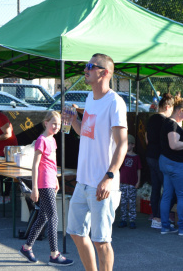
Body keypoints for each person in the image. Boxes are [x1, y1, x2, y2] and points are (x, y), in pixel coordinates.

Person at [66, 53, 128, 271]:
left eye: (91, 66)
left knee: (101, 241)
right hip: (83, 181)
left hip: (102, 183)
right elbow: (86, 132)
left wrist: (109, 177)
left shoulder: (115, 102)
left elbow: (122, 144)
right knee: (75, 232)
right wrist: (74, 120)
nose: (86, 69)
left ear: (105, 72)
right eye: (86, 65)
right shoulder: (89, 99)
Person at [18, 111, 73, 266]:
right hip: (43, 183)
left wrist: (56, 178)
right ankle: (54, 254)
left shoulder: (52, 140)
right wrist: (34, 187)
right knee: (53, 217)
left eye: (59, 124)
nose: (56, 127)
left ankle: (27, 247)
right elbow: (35, 165)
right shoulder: (41, 140)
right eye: (53, 123)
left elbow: (52, 162)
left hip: (50, 181)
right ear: (45, 123)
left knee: (43, 217)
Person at [159, 97, 183, 236]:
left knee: (167, 195)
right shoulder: (173, 124)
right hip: (176, 164)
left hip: (166, 162)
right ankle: (182, 228)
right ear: (180, 111)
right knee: (182, 195)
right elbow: (174, 144)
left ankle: (165, 226)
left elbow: (175, 140)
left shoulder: (168, 123)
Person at [145, 93, 174, 229]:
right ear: (167, 107)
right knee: (167, 188)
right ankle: (159, 217)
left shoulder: (151, 119)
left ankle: (155, 216)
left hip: (150, 155)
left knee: (156, 187)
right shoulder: (166, 122)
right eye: (172, 109)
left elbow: (146, 138)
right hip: (159, 158)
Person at [118, 134, 141, 229]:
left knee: (132, 203)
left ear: (133, 145)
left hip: (132, 183)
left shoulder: (136, 157)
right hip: (122, 183)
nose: (126, 146)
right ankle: (123, 219)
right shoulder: (122, 155)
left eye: (128, 144)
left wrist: (138, 181)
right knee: (123, 202)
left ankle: (132, 220)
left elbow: (139, 169)